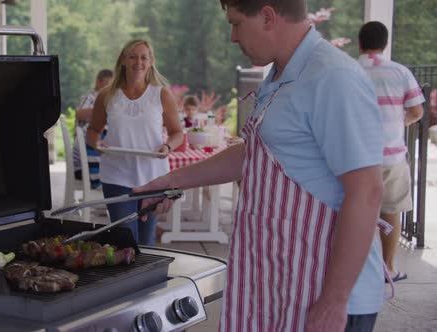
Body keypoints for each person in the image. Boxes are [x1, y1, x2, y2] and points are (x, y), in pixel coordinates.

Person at [136, 1, 388, 331]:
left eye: (236, 23)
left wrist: (334, 301)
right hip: (284, 282)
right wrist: (170, 181)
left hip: (327, 296)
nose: (232, 37)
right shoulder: (281, 74)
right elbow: (253, 153)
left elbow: (367, 192)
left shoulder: (333, 76)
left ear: (268, 17)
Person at [86, 39, 183, 246]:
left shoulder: (162, 94)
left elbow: (177, 133)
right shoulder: (107, 95)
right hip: (117, 176)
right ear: (123, 60)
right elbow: (93, 131)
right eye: (132, 56)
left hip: (153, 179)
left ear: (151, 62)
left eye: (143, 57)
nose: (138, 62)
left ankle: (148, 279)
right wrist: (97, 144)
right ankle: (126, 277)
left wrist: (167, 147)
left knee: (147, 244)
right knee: (125, 243)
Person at [357, 21, 425, 283]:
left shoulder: (348, 71)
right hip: (392, 156)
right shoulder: (400, 72)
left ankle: (359, 269)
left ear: (360, 43)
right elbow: (417, 111)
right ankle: (388, 268)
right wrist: (399, 122)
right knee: (391, 210)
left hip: (357, 158)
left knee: (357, 210)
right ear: (385, 44)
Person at [73, 69, 114, 189]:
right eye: (108, 85)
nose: (110, 89)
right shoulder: (90, 97)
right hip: (83, 165)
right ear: (98, 82)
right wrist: (104, 111)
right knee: (96, 137)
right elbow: (79, 114)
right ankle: (99, 183)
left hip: (90, 161)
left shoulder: (108, 99)